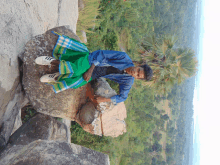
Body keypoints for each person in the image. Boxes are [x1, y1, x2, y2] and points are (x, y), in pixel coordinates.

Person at [35, 32, 153, 105]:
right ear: (138, 66)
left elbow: (123, 97)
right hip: (92, 61)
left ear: (137, 78)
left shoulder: (128, 81)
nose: (135, 73)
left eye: (138, 76)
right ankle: (52, 61)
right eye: (138, 70)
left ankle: (56, 76)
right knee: (78, 69)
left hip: (95, 74)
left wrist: (104, 100)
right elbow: (102, 54)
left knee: (76, 83)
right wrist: (91, 69)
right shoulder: (124, 57)